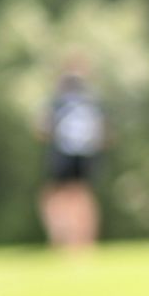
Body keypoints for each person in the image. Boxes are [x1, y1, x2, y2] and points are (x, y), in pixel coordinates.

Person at [37, 55, 106, 251]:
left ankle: (61, 240)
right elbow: (105, 132)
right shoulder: (93, 100)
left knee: (54, 196)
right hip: (87, 155)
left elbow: (42, 128)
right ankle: (84, 242)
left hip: (63, 154)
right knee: (83, 195)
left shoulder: (58, 101)